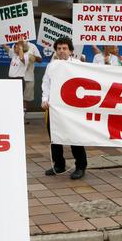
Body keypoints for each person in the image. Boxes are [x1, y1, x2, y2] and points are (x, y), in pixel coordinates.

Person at [42, 37, 87, 180]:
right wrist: (44, 99)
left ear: (71, 50)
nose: (61, 51)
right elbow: (46, 83)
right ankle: (59, 164)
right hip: (55, 108)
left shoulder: (78, 65)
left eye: (64, 48)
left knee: (75, 137)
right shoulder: (51, 65)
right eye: (59, 48)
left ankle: (80, 166)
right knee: (55, 137)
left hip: (72, 108)